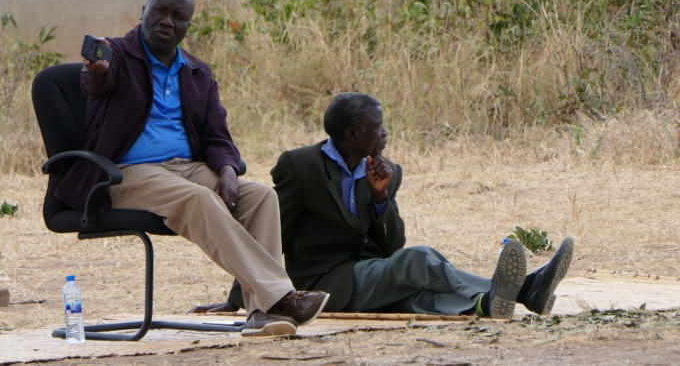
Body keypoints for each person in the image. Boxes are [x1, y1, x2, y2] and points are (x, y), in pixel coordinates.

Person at [54, 0, 329, 337]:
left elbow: (217, 135)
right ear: (143, 11)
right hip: (127, 174)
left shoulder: (197, 73)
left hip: (189, 169)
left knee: (261, 196)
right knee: (199, 198)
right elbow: (95, 82)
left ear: (188, 26)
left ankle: (261, 313)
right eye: (160, 11)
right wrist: (98, 68)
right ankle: (282, 296)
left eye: (178, 16)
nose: (167, 21)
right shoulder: (119, 55)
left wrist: (228, 171)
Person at [191, 93, 574, 318]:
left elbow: (391, 245)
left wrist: (379, 197)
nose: (385, 133)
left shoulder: (387, 172)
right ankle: (527, 291)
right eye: (378, 127)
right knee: (420, 260)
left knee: (423, 297)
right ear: (352, 135)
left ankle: (483, 306)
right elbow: (270, 231)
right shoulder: (301, 166)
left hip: (372, 273)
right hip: (326, 285)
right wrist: (238, 298)